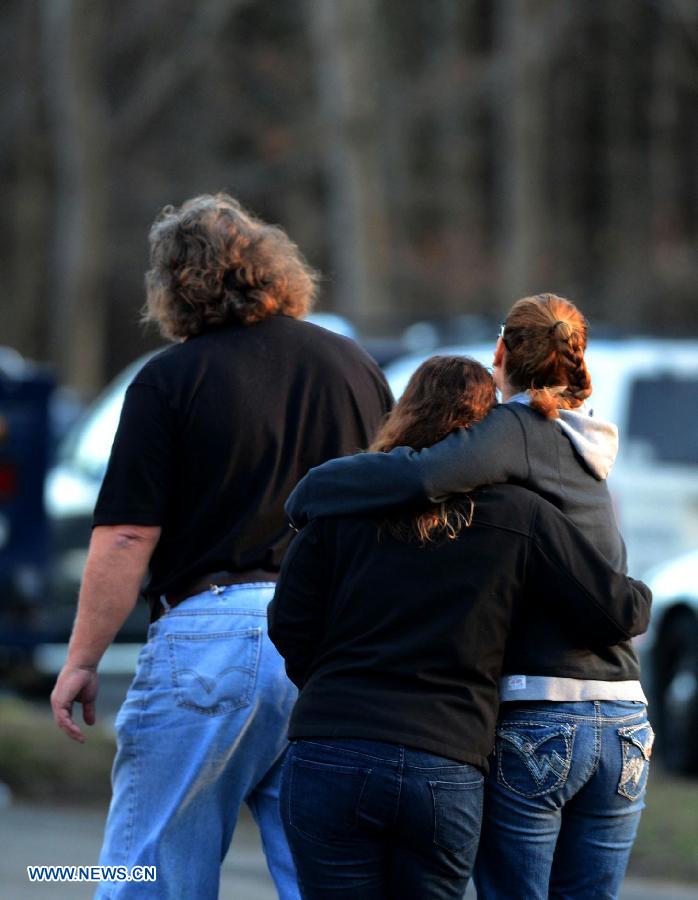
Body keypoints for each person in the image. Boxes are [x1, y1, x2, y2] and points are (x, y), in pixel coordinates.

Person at [50, 193, 393, 900]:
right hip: (337, 646)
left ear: (176, 285)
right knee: (327, 880)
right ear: (277, 270)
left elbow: (125, 533)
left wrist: (83, 659)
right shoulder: (355, 369)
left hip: (214, 639)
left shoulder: (170, 380)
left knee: (149, 873)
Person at [285, 294, 655, 899]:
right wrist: (636, 596)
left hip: (542, 709)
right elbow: (611, 598)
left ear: (502, 352)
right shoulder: (587, 445)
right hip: (623, 717)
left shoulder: (514, 430)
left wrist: (311, 491)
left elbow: (422, 477)